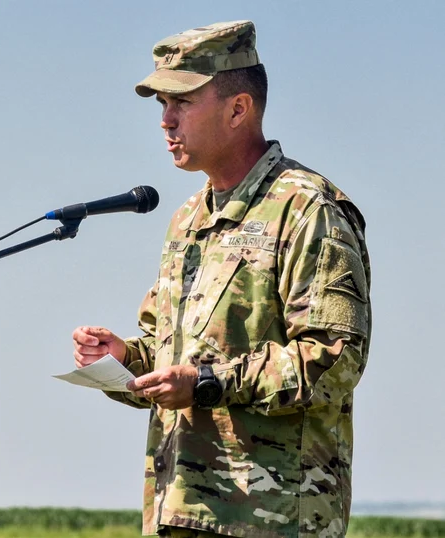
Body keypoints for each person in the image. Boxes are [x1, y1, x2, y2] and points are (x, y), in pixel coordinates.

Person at [71, 20, 371, 538]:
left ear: (238, 109)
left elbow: (335, 360)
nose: (166, 121)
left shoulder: (306, 209)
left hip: (269, 518)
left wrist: (208, 384)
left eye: (182, 102)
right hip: (180, 510)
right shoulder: (188, 219)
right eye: (161, 105)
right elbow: (170, 357)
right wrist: (125, 360)